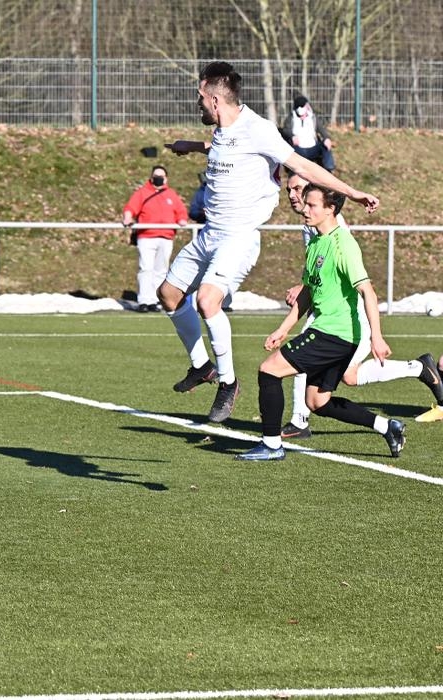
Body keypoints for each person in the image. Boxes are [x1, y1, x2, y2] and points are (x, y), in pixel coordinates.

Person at [162, 61, 379, 424]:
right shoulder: (221, 131)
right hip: (210, 233)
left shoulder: (258, 129)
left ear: (215, 99)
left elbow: (306, 168)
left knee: (207, 299)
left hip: (239, 236)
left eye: (200, 97)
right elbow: (224, 147)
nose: (197, 104)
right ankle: (202, 366)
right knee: (168, 294)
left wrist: (351, 193)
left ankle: (228, 383)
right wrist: (192, 146)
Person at [235, 184, 405, 461]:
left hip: (334, 334)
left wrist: (377, 337)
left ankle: (271, 445)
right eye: (305, 203)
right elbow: (307, 293)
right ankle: (388, 426)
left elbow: (368, 292)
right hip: (335, 335)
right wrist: (283, 328)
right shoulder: (315, 242)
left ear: (331, 209)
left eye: (312, 204)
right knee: (316, 402)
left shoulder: (343, 245)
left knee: (269, 371)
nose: (305, 209)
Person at [279, 170, 443, 438]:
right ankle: (418, 368)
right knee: (350, 376)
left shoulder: (333, 228)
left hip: (346, 314)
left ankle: (299, 420)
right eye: (289, 190)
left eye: (298, 189)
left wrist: (305, 288)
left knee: (302, 358)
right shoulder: (310, 223)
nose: (292, 196)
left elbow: (355, 281)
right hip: (328, 311)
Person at [122, 165, 188, 312]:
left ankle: (158, 300)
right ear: (151, 178)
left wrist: (182, 219)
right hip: (146, 236)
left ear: (166, 178)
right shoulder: (142, 193)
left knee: (161, 270)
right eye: (156, 176)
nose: (158, 179)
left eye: (161, 176)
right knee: (146, 268)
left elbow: (181, 211)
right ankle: (145, 300)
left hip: (166, 237)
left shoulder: (171, 194)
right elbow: (130, 208)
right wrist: (127, 217)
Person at [283, 95, 335, 172]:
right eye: (299, 107)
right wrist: (292, 136)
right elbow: (286, 130)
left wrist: (326, 138)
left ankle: (329, 168)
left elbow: (322, 130)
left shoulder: (313, 118)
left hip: (313, 147)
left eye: (303, 106)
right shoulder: (291, 119)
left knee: (325, 146)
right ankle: (292, 170)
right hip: (298, 149)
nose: (301, 109)